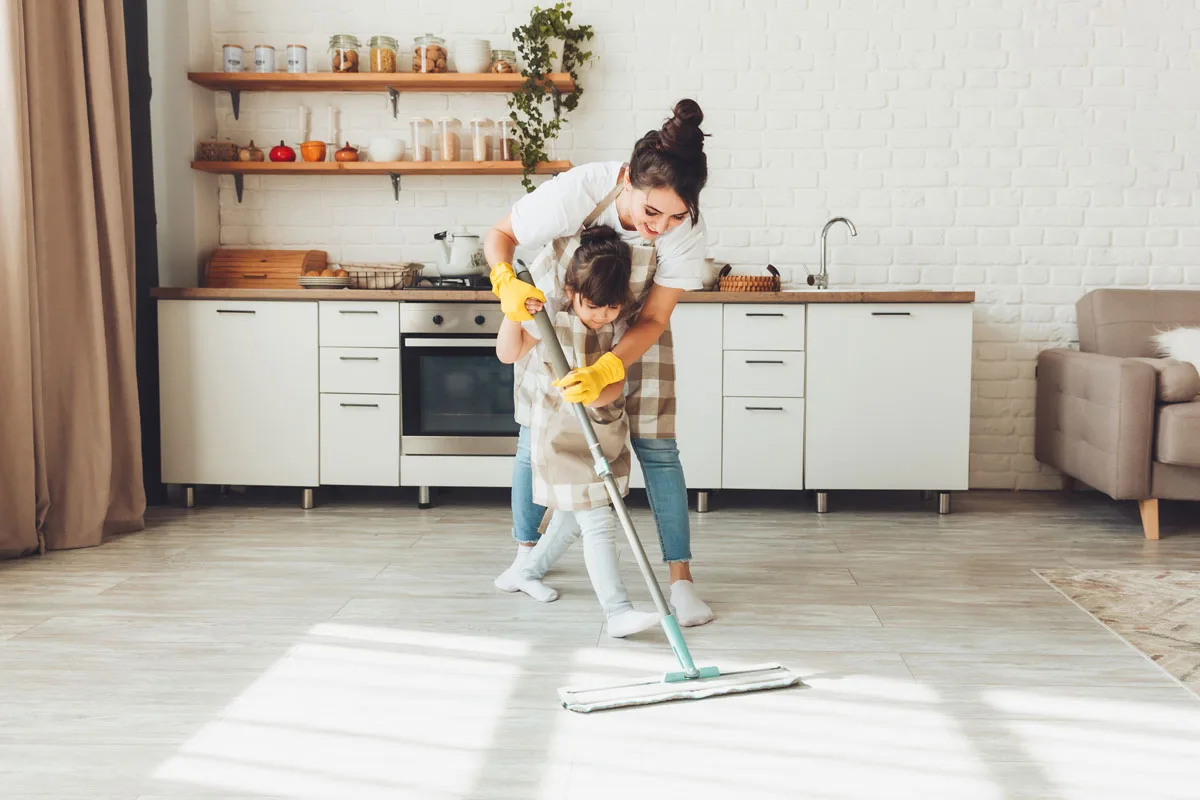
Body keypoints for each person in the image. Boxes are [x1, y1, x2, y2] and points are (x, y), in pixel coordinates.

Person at [486, 99, 714, 627]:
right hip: (558, 323)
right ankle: (527, 556)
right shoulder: (584, 189)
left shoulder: (686, 228)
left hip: (635, 331)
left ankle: (681, 583)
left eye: (676, 215)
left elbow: (654, 317)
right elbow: (501, 236)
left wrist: (611, 367)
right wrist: (506, 287)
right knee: (534, 439)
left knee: (659, 449)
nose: (661, 227)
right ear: (627, 182)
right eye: (650, 212)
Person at [493, 226, 661, 639]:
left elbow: (617, 383)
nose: (600, 315)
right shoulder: (551, 320)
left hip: (601, 431)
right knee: (598, 519)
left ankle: (525, 572)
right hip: (559, 435)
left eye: (610, 307)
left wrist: (601, 384)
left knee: (571, 516)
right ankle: (617, 610)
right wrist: (513, 312)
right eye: (591, 305)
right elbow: (507, 353)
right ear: (570, 291)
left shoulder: (618, 326)